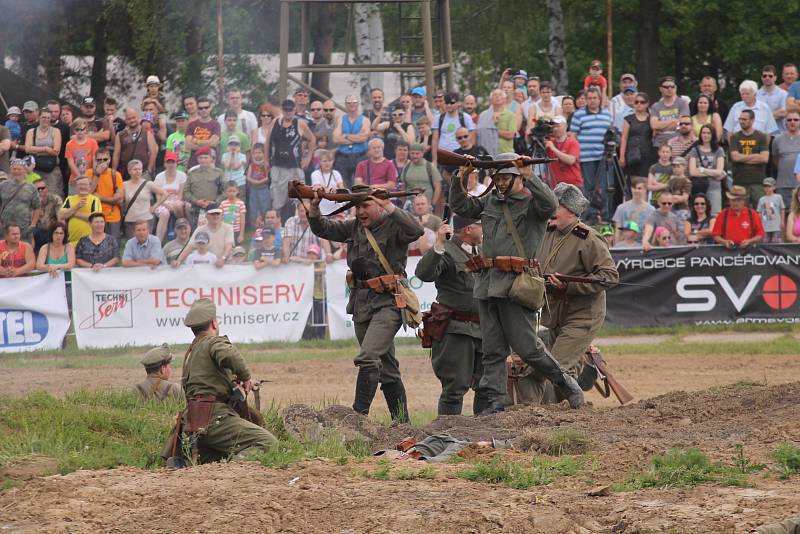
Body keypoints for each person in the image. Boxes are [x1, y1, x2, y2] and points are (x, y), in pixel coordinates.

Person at [449, 153, 584, 414]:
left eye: (505, 178)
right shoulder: (490, 201)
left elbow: (549, 203)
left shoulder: (532, 204)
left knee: (528, 349)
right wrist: (460, 177)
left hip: (517, 285)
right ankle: (496, 401)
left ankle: (564, 381)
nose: (499, 183)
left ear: (517, 178)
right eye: (497, 178)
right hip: (488, 285)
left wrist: (529, 176)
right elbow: (462, 207)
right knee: (492, 350)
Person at [308, 182, 424, 422]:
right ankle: (403, 424)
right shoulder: (354, 227)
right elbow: (324, 229)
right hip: (361, 303)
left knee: (368, 356)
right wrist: (314, 208)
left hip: (389, 302)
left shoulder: (394, 225)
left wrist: (389, 206)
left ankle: (357, 418)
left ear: (379, 205)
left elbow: (416, 231)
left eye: (366, 205)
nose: (361, 211)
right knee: (387, 368)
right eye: (357, 206)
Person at [524, 183, 618, 405]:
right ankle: (584, 369)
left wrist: (569, 287)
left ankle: (553, 416)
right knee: (550, 366)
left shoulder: (589, 238)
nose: (550, 211)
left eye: (555, 206)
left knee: (556, 369)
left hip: (583, 315)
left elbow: (609, 276)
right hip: (556, 314)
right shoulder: (547, 233)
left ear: (571, 210)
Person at [167, 298, 276, 464]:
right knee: (268, 443)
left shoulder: (193, 353)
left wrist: (234, 384)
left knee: (217, 459)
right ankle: (228, 472)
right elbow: (229, 354)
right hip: (214, 418)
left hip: (194, 423)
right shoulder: (213, 342)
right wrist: (246, 377)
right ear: (214, 323)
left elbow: (206, 386)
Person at [415, 215, 486, 415]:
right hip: (456, 330)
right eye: (481, 226)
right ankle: (446, 436)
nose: (484, 230)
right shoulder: (446, 251)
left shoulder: (482, 252)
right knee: (455, 387)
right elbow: (424, 274)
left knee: (487, 386)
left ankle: (485, 433)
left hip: (483, 329)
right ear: (468, 229)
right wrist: (438, 243)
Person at [265, 99, 315, 220]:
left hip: (295, 167)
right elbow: (267, 142)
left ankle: (301, 224)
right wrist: (266, 160)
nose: (288, 112)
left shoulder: (300, 123)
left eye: (290, 110)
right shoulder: (275, 123)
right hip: (277, 166)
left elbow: (312, 139)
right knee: (277, 201)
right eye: (286, 110)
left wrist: (308, 157)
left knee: (299, 199)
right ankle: (277, 227)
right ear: (283, 110)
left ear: (294, 110)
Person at [570, 86, 613, 222]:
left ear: (600, 99)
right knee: (588, 187)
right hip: (586, 157)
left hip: (603, 156)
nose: (592, 101)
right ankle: (591, 214)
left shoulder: (607, 114)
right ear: (586, 99)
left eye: (595, 98)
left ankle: (605, 214)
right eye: (590, 98)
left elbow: (612, 135)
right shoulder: (578, 115)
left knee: (605, 186)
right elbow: (573, 136)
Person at [730, 110, 770, 207]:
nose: (741, 121)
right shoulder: (735, 137)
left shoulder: (761, 136)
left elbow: (764, 158)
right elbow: (735, 157)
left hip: (758, 182)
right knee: (740, 211)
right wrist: (755, 156)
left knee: (760, 210)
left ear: (752, 120)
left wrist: (743, 158)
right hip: (740, 181)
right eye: (740, 119)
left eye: (744, 119)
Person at [687, 124, 727, 215]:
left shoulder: (719, 150)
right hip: (699, 187)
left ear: (712, 135)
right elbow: (692, 172)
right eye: (703, 133)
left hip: (714, 187)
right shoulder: (695, 150)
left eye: (708, 133)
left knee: (715, 215)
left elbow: (719, 171)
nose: (705, 135)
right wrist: (712, 173)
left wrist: (701, 170)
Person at [178, 203, 233, 268]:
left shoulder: (228, 228)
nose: (215, 216)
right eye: (212, 214)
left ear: (221, 215)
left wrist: (222, 259)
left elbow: (228, 246)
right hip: (208, 265)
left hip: (226, 264)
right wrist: (178, 261)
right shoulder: (200, 229)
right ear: (206, 216)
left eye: (217, 213)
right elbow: (189, 247)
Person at [332, 95, 370, 188]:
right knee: (343, 186)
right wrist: (357, 137)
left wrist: (345, 135)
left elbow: (364, 138)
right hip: (343, 157)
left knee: (361, 185)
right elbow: (336, 138)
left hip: (360, 156)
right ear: (345, 105)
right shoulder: (340, 119)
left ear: (358, 104)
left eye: (354, 102)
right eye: (349, 103)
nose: (352, 105)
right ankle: (346, 202)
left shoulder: (365, 120)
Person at [122, 160, 167, 238]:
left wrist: (155, 206)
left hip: (146, 219)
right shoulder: (124, 185)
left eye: (139, 169)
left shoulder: (148, 184)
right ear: (129, 171)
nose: (138, 171)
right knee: (133, 244)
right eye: (135, 169)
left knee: (146, 244)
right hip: (131, 219)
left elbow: (165, 194)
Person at [650, 76, 690, 162]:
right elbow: (654, 125)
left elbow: (682, 125)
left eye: (672, 86)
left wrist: (660, 126)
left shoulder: (682, 103)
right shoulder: (655, 106)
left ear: (676, 88)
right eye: (666, 87)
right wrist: (674, 120)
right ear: (660, 89)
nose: (669, 89)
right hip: (659, 144)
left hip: (677, 144)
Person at [87, 147, 124, 240]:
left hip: (113, 217)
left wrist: (100, 197)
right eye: (99, 159)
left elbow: (119, 200)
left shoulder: (115, 174)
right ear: (95, 160)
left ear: (110, 159)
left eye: (105, 159)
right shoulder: (89, 173)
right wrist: (97, 174)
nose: (102, 162)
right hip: (95, 216)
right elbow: (88, 194)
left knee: (113, 247)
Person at [0, 159, 41, 241]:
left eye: (19, 169)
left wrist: (32, 225)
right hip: (4, 228)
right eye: (14, 169)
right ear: (10, 170)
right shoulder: (2, 186)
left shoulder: (31, 188)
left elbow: (37, 207)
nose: (16, 171)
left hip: (24, 229)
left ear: (25, 171)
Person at [24, 108, 62, 194]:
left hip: (51, 169)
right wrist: (46, 148)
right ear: (39, 117)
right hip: (35, 169)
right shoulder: (31, 132)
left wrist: (36, 149)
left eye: (48, 118)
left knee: (52, 194)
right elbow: (27, 149)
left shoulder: (55, 131)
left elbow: (56, 151)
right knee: (34, 194)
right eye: (44, 117)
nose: (46, 120)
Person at [183, 146, 225, 224]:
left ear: (211, 159)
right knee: (197, 231)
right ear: (197, 159)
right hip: (196, 207)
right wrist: (196, 201)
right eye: (201, 158)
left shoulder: (218, 173)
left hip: (213, 207)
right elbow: (186, 192)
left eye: (206, 157)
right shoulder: (192, 173)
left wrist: (215, 202)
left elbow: (224, 191)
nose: (203, 160)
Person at [112, 109, 158, 181]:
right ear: (125, 120)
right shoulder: (120, 135)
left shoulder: (147, 133)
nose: (132, 120)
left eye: (134, 118)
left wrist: (149, 170)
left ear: (138, 118)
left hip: (143, 173)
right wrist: (114, 170)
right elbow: (116, 154)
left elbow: (153, 152)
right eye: (129, 119)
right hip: (126, 174)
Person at [620, 92, 654, 186]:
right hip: (631, 153)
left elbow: (654, 135)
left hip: (647, 153)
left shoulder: (651, 119)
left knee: (645, 182)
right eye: (636, 102)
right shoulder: (628, 119)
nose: (639, 104)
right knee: (633, 182)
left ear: (647, 104)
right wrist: (622, 156)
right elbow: (624, 138)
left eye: (642, 102)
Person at [153, 152, 188, 239]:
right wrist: (165, 204)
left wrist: (174, 204)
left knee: (178, 205)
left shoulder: (182, 175)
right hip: (162, 202)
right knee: (165, 213)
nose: (171, 164)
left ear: (176, 163)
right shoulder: (159, 177)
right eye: (168, 162)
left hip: (177, 201)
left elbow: (181, 194)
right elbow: (158, 196)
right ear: (165, 164)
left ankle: (182, 231)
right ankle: (158, 241)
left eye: (173, 162)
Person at [771, 111, 800, 209]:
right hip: (783, 184)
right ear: (785, 123)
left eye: (796, 120)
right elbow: (775, 159)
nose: (792, 122)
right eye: (789, 120)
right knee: (784, 212)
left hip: (798, 184)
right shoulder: (777, 140)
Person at [612, 177, 654, 244]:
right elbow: (618, 231)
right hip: (625, 245)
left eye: (639, 188)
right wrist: (617, 247)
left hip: (641, 245)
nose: (636, 191)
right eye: (634, 188)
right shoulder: (621, 208)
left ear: (645, 190)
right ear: (631, 189)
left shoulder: (651, 210)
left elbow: (650, 231)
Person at [476, 89, 515, 157]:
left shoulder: (510, 115)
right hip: (487, 154)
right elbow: (479, 133)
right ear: (491, 100)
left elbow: (511, 135)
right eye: (494, 95)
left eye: (500, 94)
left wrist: (492, 130)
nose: (497, 96)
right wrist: (492, 122)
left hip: (505, 154)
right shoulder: (483, 115)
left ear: (504, 99)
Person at [544, 115, 582, 188]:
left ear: (565, 126)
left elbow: (571, 160)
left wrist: (553, 149)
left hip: (573, 184)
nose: (555, 129)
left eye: (558, 126)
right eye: (554, 127)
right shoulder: (549, 142)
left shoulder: (573, 142)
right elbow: (532, 142)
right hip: (556, 184)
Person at [185, 97, 221, 168]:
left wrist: (196, 141)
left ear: (211, 108)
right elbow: (188, 145)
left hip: (211, 165)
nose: (203, 110)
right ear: (197, 109)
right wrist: (208, 143)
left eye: (206, 107)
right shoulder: (191, 125)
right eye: (201, 108)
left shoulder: (216, 124)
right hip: (194, 164)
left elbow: (214, 143)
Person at [31, 178, 63, 251]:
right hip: (36, 231)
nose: (40, 190)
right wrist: (37, 204)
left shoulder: (55, 199)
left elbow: (60, 217)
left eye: (42, 188)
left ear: (47, 188)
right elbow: (30, 221)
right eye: (37, 189)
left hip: (52, 230)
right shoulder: (31, 200)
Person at [309, 150, 344, 215]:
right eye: (324, 161)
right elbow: (318, 188)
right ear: (320, 162)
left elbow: (342, 189)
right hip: (321, 208)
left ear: (333, 161)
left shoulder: (336, 173)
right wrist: (333, 190)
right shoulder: (315, 174)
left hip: (336, 207)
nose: (327, 163)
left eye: (330, 161)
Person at [757, 65, 787, 132]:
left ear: (775, 78)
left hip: (778, 134)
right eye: (764, 76)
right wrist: (776, 113)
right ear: (761, 78)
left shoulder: (783, 94)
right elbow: (753, 114)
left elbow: (783, 112)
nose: (767, 78)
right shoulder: (755, 95)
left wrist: (762, 117)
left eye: (770, 76)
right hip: (761, 134)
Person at [757, 177, 785, 243]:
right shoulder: (761, 199)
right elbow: (759, 212)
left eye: (769, 186)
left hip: (776, 226)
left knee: (776, 241)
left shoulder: (778, 197)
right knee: (765, 242)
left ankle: (779, 253)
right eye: (765, 186)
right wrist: (759, 223)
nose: (767, 188)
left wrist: (782, 221)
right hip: (765, 226)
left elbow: (782, 209)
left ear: (774, 187)